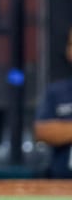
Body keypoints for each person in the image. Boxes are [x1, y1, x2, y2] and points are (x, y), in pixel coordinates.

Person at [34, 26, 72, 178]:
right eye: (70, 44)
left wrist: (64, 129)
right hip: (62, 182)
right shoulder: (57, 91)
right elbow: (42, 131)